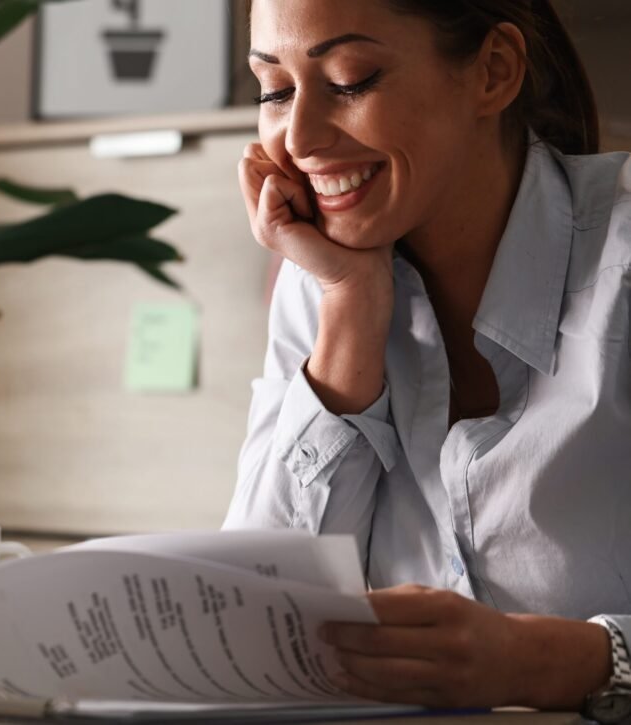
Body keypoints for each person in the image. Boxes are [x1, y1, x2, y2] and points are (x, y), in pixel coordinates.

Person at [222, 0, 631, 713]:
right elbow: (248, 623)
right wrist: (349, 302)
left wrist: (551, 659)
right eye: (275, 91)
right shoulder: (317, 278)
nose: (300, 139)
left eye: (350, 80)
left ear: (494, 73)